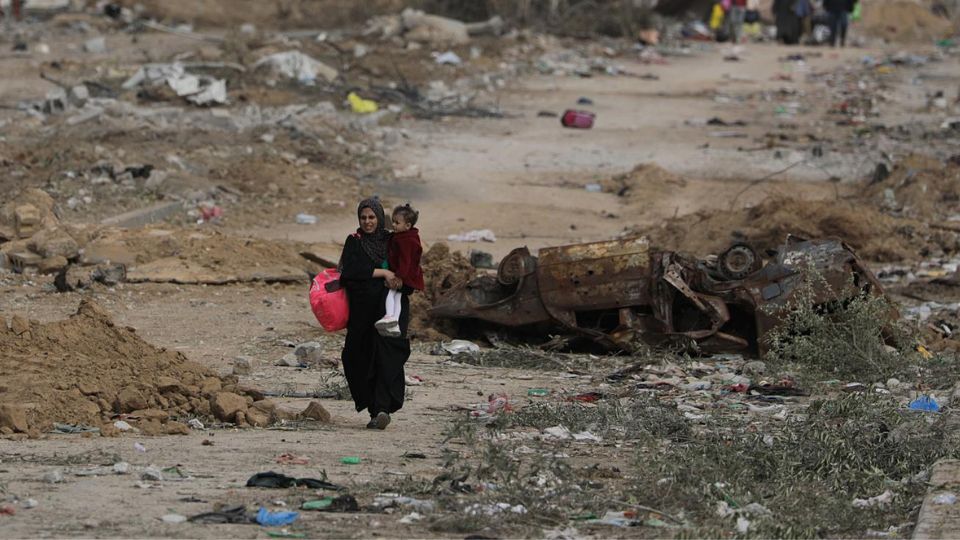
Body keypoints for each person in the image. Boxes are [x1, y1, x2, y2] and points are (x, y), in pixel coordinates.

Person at [338, 198, 410, 430]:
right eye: (363, 217)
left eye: (372, 217)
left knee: (385, 358)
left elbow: (408, 267)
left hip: (389, 311)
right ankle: (373, 407)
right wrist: (383, 273)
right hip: (361, 314)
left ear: (380, 218)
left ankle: (381, 409)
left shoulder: (392, 240)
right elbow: (349, 272)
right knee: (357, 357)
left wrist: (398, 279)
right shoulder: (354, 242)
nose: (368, 222)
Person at [376, 204, 424, 337]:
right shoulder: (406, 236)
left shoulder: (406, 240)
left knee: (391, 292)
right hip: (409, 277)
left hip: (405, 276)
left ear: (408, 226)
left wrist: (398, 276)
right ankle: (395, 323)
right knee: (398, 296)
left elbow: (406, 261)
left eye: (397, 223)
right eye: (393, 221)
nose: (394, 225)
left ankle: (389, 316)